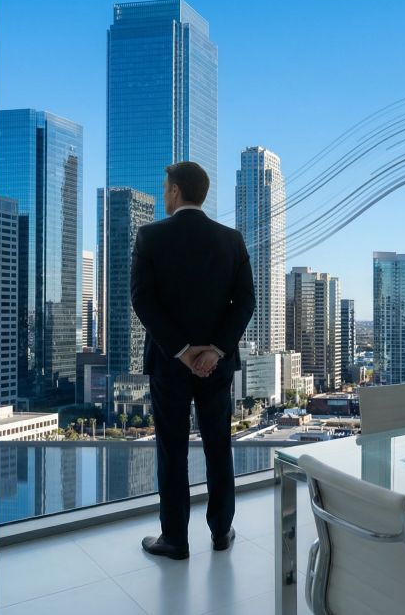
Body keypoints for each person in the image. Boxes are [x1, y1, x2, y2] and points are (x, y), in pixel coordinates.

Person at [131, 161, 255, 560]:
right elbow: (246, 302)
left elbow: (142, 300)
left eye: (165, 187)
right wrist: (215, 350)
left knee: (172, 450)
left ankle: (175, 539)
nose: (163, 193)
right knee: (218, 445)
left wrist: (182, 352)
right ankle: (220, 531)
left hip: (169, 363)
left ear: (175, 191)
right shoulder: (231, 240)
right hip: (217, 365)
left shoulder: (150, 236)